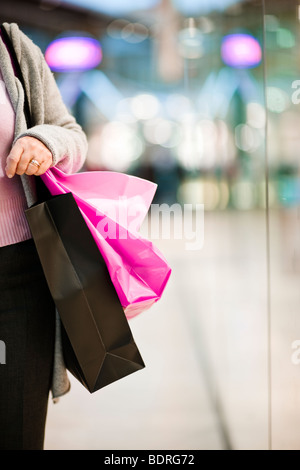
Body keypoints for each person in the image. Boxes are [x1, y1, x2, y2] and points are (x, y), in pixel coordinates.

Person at [0, 22, 88, 450]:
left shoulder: (13, 48)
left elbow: (71, 134)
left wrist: (45, 143)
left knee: (17, 431)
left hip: (17, 278)